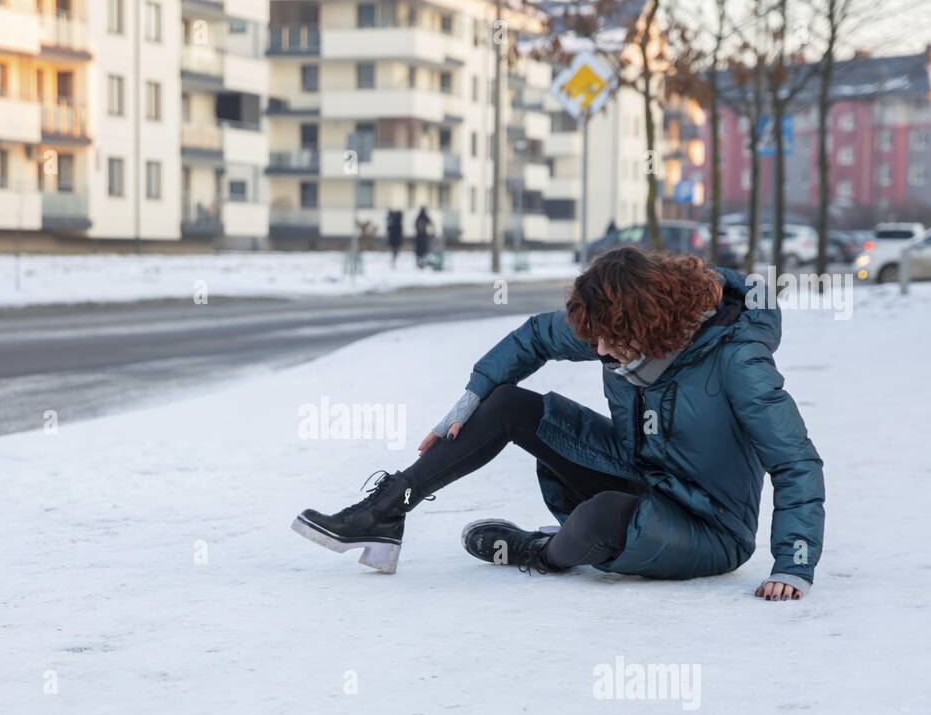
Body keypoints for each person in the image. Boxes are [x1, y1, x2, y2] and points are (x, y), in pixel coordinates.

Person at [291, 246, 825, 601]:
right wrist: (472, 394)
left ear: (649, 324)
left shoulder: (738, 362)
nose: (596, 351)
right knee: (505, 403)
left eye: (606, 342)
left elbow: (795, 460)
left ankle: (538, 552)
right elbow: (536, 336)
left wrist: (792, 566)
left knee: (598, 519)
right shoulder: (616, 333)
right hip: (636, 470)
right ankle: (386, 511)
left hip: (707, 526)